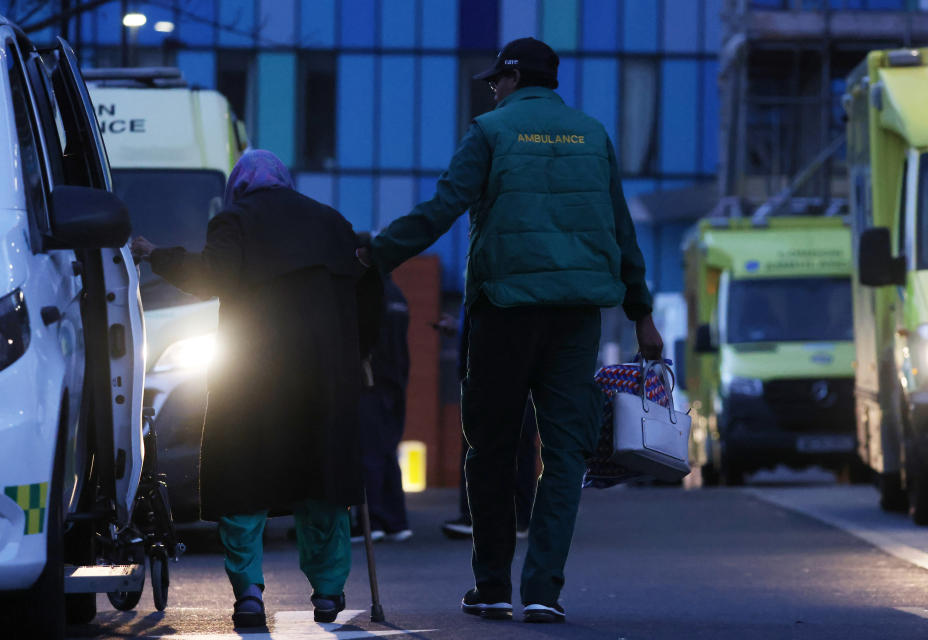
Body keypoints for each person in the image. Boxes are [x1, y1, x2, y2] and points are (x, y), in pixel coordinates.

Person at [358, 38, 663, 623]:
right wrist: (640, 312)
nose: (492, 89)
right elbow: (622, 229)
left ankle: (493, 584)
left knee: (491, 448)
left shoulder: (492, 132)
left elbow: (444, 206)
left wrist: (378, 253)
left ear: (516, 77)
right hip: (576, 317)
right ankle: (545, 589)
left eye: (496, 79)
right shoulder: (593, 135)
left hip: (505, 311)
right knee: (566, 450)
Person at [130, 150, 382, 628]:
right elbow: (366, 290)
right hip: (322, 379)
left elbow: (211, 275)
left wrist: (156, 255)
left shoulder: (235, 219)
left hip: (252, 378)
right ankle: (328, 593)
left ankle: (248, 593)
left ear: (241, 184)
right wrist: (359, 355)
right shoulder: (332, 223)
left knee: (243, 482)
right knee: (321, 484)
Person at [441, 315, 537, 540]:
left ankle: (495, 515)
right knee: (504, 440)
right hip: (497, 365)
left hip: (500, 365)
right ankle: (504, 515)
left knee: (499, 440)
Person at [354, 274, 413, 543]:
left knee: (369, 453)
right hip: (395, 382)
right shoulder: (398, 294)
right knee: (387, 451)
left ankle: (373, 521)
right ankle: (396, 521)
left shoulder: (370, 294)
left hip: (371, 382)